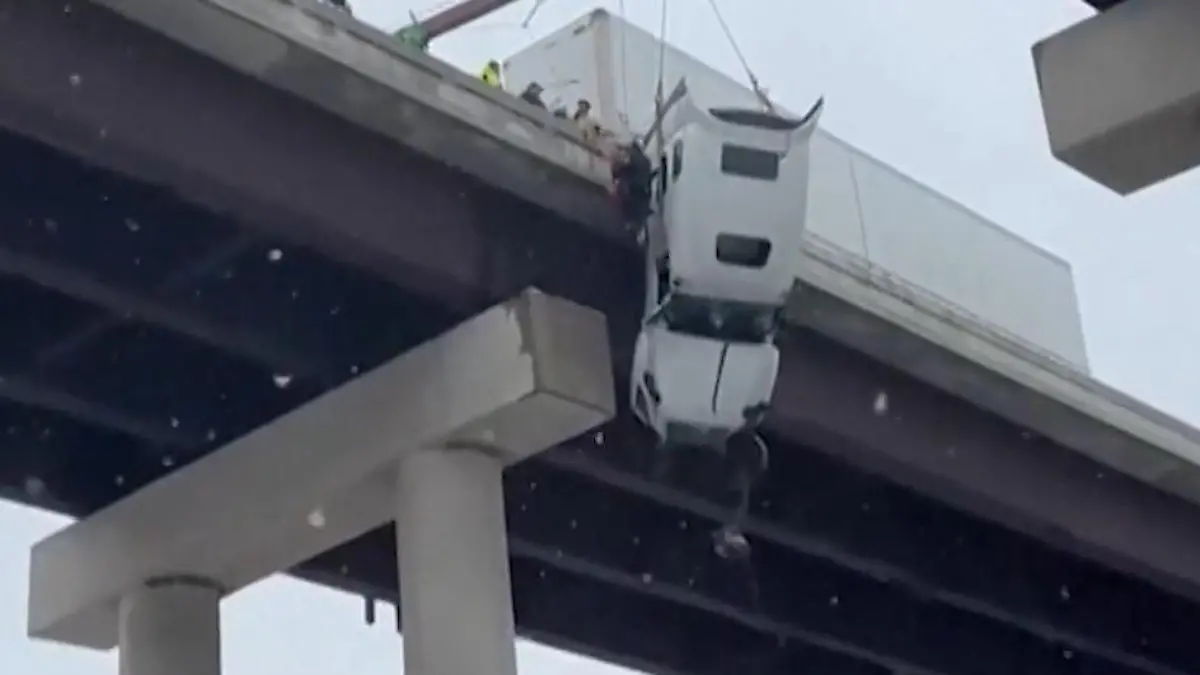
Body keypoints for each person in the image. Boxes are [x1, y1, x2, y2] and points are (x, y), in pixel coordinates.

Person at [610, 141, 652, 225]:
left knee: (626, 206)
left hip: (632, 188)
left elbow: (624, 168)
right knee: (639, 212)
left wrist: (615, 174)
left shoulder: (631, 156)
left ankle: (627, 223)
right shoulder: (646, 160)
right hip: (643, 190)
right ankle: (636, 224)